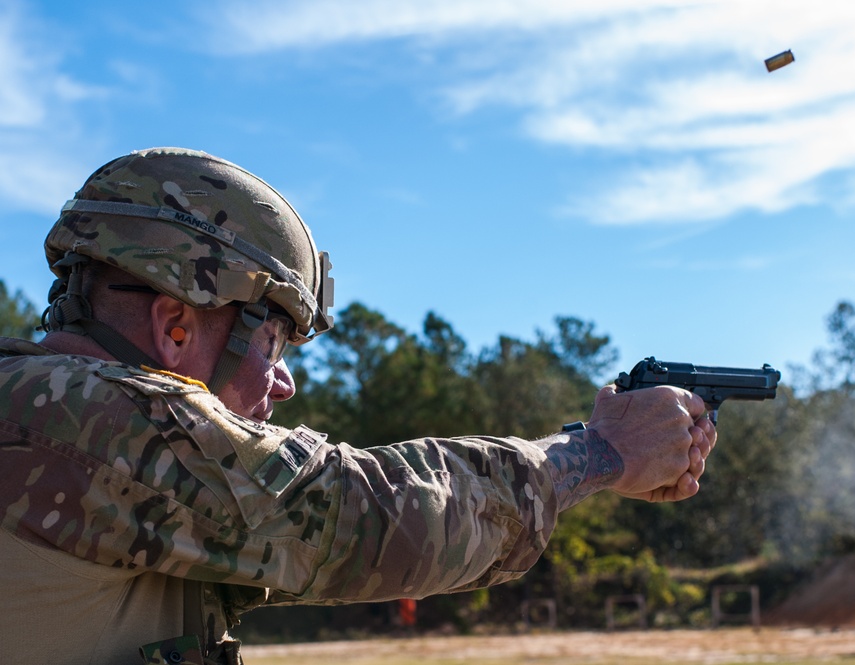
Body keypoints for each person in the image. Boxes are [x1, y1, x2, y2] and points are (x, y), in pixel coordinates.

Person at [0, 147, 716, 665]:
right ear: (177, 326)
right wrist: (599, 452)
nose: (282, 384)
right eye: (272, 344)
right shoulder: (86, 417)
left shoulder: (38, 406)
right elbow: (371, 516)